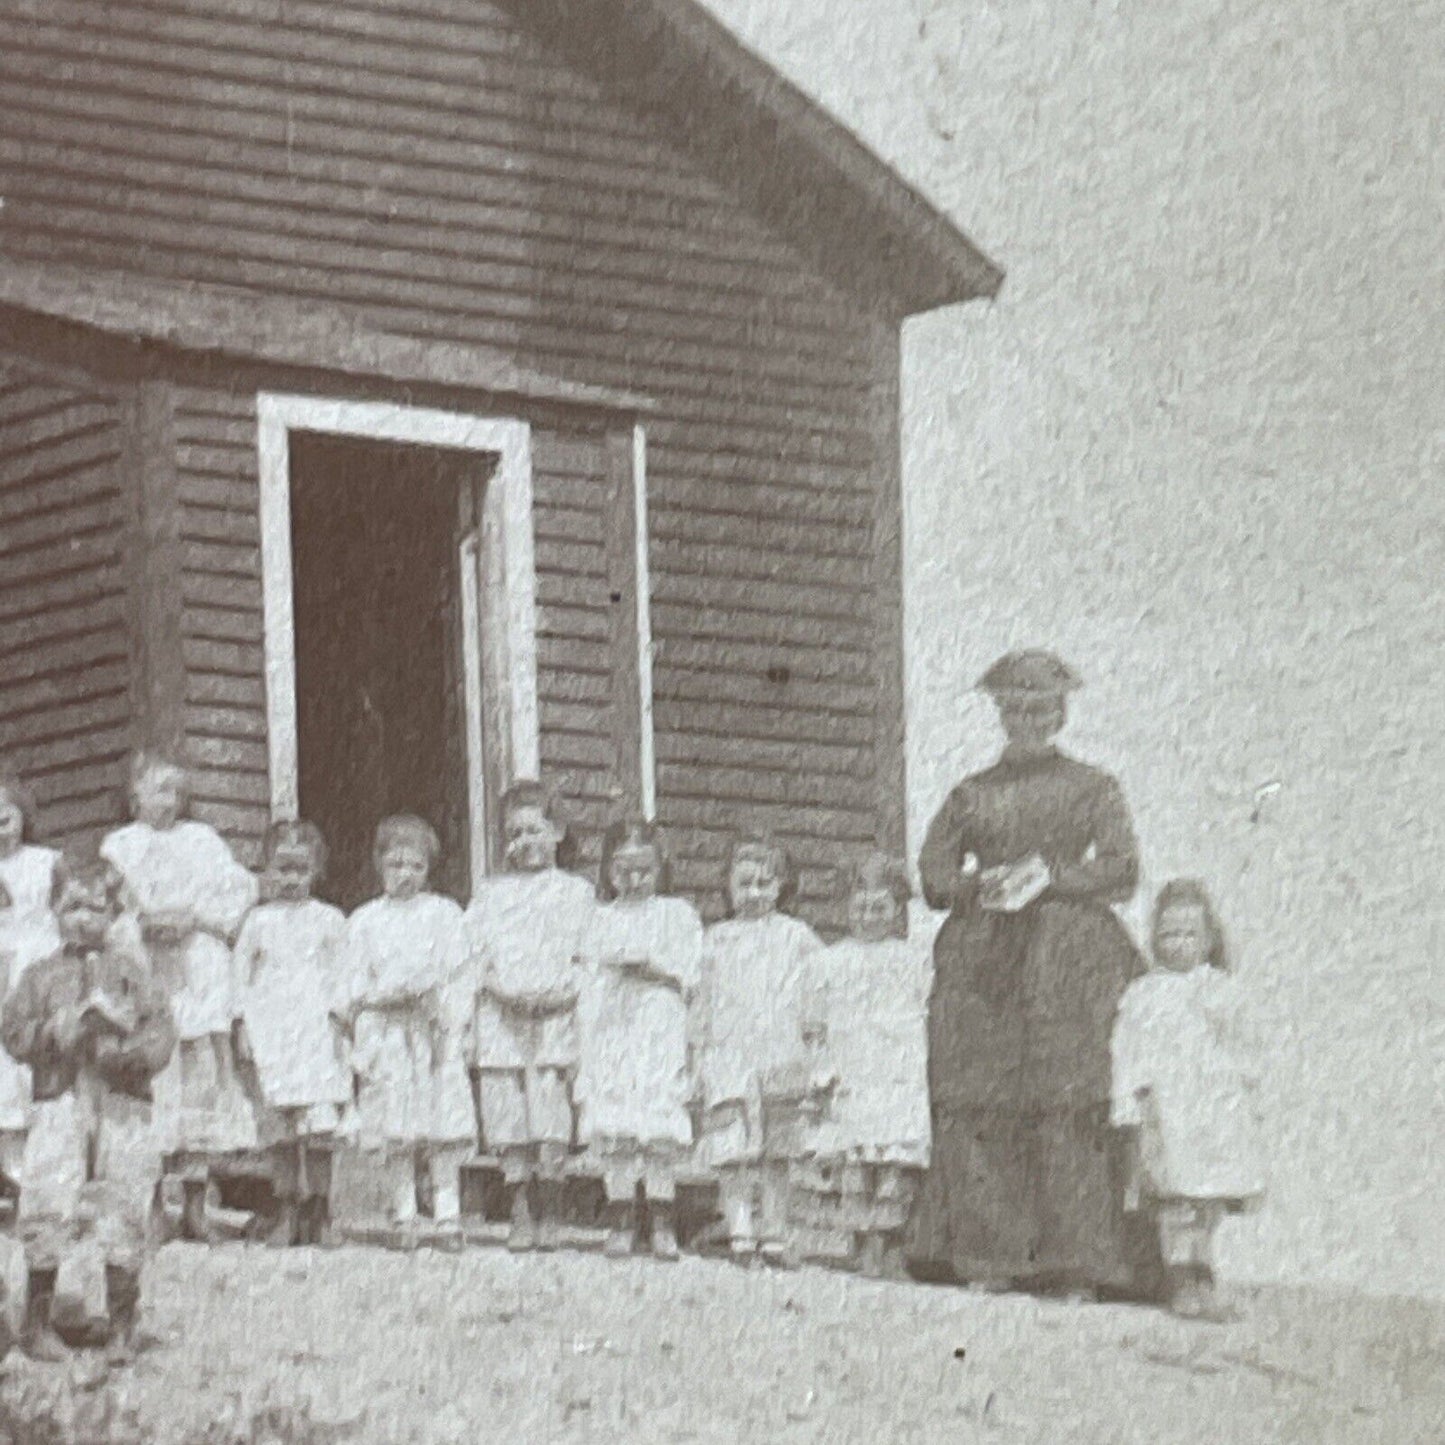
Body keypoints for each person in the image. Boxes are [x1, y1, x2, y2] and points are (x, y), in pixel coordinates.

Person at [908, 650, 1147, 1297]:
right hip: (983, 955)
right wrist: (974, 882)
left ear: (1060, 712)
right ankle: (990, 1257)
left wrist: (1054, 875)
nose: (1028, 720)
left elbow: (1122, 869)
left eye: (1040, 708)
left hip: (1067, 956)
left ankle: (1076, 1264)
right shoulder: (971, 793)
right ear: (999, 714)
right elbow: (931, 875)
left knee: (1066, 1101)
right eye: (1014, 709)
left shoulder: (1094, 787)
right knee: (981, 1098)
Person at [1, 853, 175, 1363]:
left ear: (114, 914)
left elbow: (162, 1031)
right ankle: (37, 1320)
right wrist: (56, 1030)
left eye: (97, 909)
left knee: (124, 1199)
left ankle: (122, 1320)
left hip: (121, 1098)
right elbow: (13, 1032)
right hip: (61, 1097)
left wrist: (126, 1051)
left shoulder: (132, 973)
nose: (84, 918)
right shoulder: (38, 975)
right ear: (54, 908)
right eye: (73, 906)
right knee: (48, 1198)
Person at [101, 752, 258, 1239]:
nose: (168, 801)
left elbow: (238, 891)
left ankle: (194, 1202)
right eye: (157, 790)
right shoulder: (119, 845)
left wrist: (194, 918)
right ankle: (151, 1202)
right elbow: (111, 905)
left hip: (196, 962)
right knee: (154, 1085)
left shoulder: (202, 841)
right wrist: (141, 924)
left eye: (176, 792)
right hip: (149, 963)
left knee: (200, 1085)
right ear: (135, 797)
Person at [1112, 880, 1265, 1320]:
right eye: (1168, 935)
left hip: (1212, 1111)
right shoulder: (1144, 994)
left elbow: (1244, 1048)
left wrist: (1246, 1094)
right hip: (1167, 1110)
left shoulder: (1222, 990)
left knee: (1206, 1200)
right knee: (1176, 1197)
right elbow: (1127, 1051)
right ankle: (1180, 1278)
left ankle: (1202, 1272)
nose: (1178, 945)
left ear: (1209, 939)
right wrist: (1127, 1101)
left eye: (1189, 935)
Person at [466, 781, 593, 1252]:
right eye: (514, 834)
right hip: (504, 1015)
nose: (524, 843)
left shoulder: (576, 893)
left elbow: (589, 957)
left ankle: (551, 1208)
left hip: (556, 1015)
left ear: (557, 832)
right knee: (508, 1114)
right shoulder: (491, 894)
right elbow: (473, 955)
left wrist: (562, 996)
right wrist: (499, 991)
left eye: (534, 831)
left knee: (550, 1112)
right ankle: (519, 1206)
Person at [334, 816, 473, 1244]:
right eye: (396, 865)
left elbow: (461, 972)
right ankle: (404, 1212)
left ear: (428, 868)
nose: (406, 875)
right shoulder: (364, 920)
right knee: (398, 1122)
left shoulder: (445, 914)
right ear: (379, 865)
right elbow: (351, 982)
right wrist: (380, 999)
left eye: (416, 865)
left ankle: (448, 1212)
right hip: (389, 1031)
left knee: (441, 1122)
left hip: (433, 1032)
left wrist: (446, 1011)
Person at [794, 853, 931, 1278]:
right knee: (854, 1160)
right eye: (860, 908)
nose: (869, 918)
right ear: (845, 909)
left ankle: (886, 1244)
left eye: (880, 909)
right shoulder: (828, 961)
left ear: (897, 910)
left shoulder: (912, 960)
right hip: (850, 1069)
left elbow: (925, 1011)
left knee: (892, 1160)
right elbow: (813, 1024)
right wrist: (819, 1069)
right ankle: (858, 1242)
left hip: (895, 1071)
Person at [575, 820, 702, 1261]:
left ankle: (663, 1219)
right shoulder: (599, 918)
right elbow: (586, 977)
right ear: (609, 872)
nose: (633, 880)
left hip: (657, 1027)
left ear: (659, 868)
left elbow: (691, 974)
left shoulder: (677, 915)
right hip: (614, 1031)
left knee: (657, 1127)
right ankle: (622, 1217)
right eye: (623, 870)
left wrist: (654, 969)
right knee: (620, 1128)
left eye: (643, 870)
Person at [697, 833, 823, 1265]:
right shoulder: (715, 939)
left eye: (763, 884)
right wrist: (698, 1052)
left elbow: (814, 993)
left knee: (777, 1150)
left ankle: (774, 1230)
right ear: (728, 888)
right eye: (744, 884)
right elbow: (701, 1000)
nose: (753, 894)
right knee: (732, 1148)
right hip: (730, 1054)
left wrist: (812, 1041)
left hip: (780, 1052)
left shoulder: (798, 937)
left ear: (781, 887)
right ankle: (739, 1230)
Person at [232, 821, 353, 1246]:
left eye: (299, 870)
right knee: (281, 1128)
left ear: (315, 870)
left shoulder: (329, 919)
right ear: (266, 869)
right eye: (281, 869)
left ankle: (320, 1210)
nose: (289, 879)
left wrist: (340, 1019)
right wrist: (242, 1024)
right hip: (272, 1035)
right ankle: (287, 1206)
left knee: (318, 1127)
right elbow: (239, 978)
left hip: (316, 1035)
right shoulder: (258, 921)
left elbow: (344, 975)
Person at [0, 768, 61, 1201]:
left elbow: (64, 913)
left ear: (22, 816)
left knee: (35, 1066)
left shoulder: (46, 862)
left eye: (5, 816)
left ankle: (40, 1178)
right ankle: (10, 1178)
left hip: (37, 968)